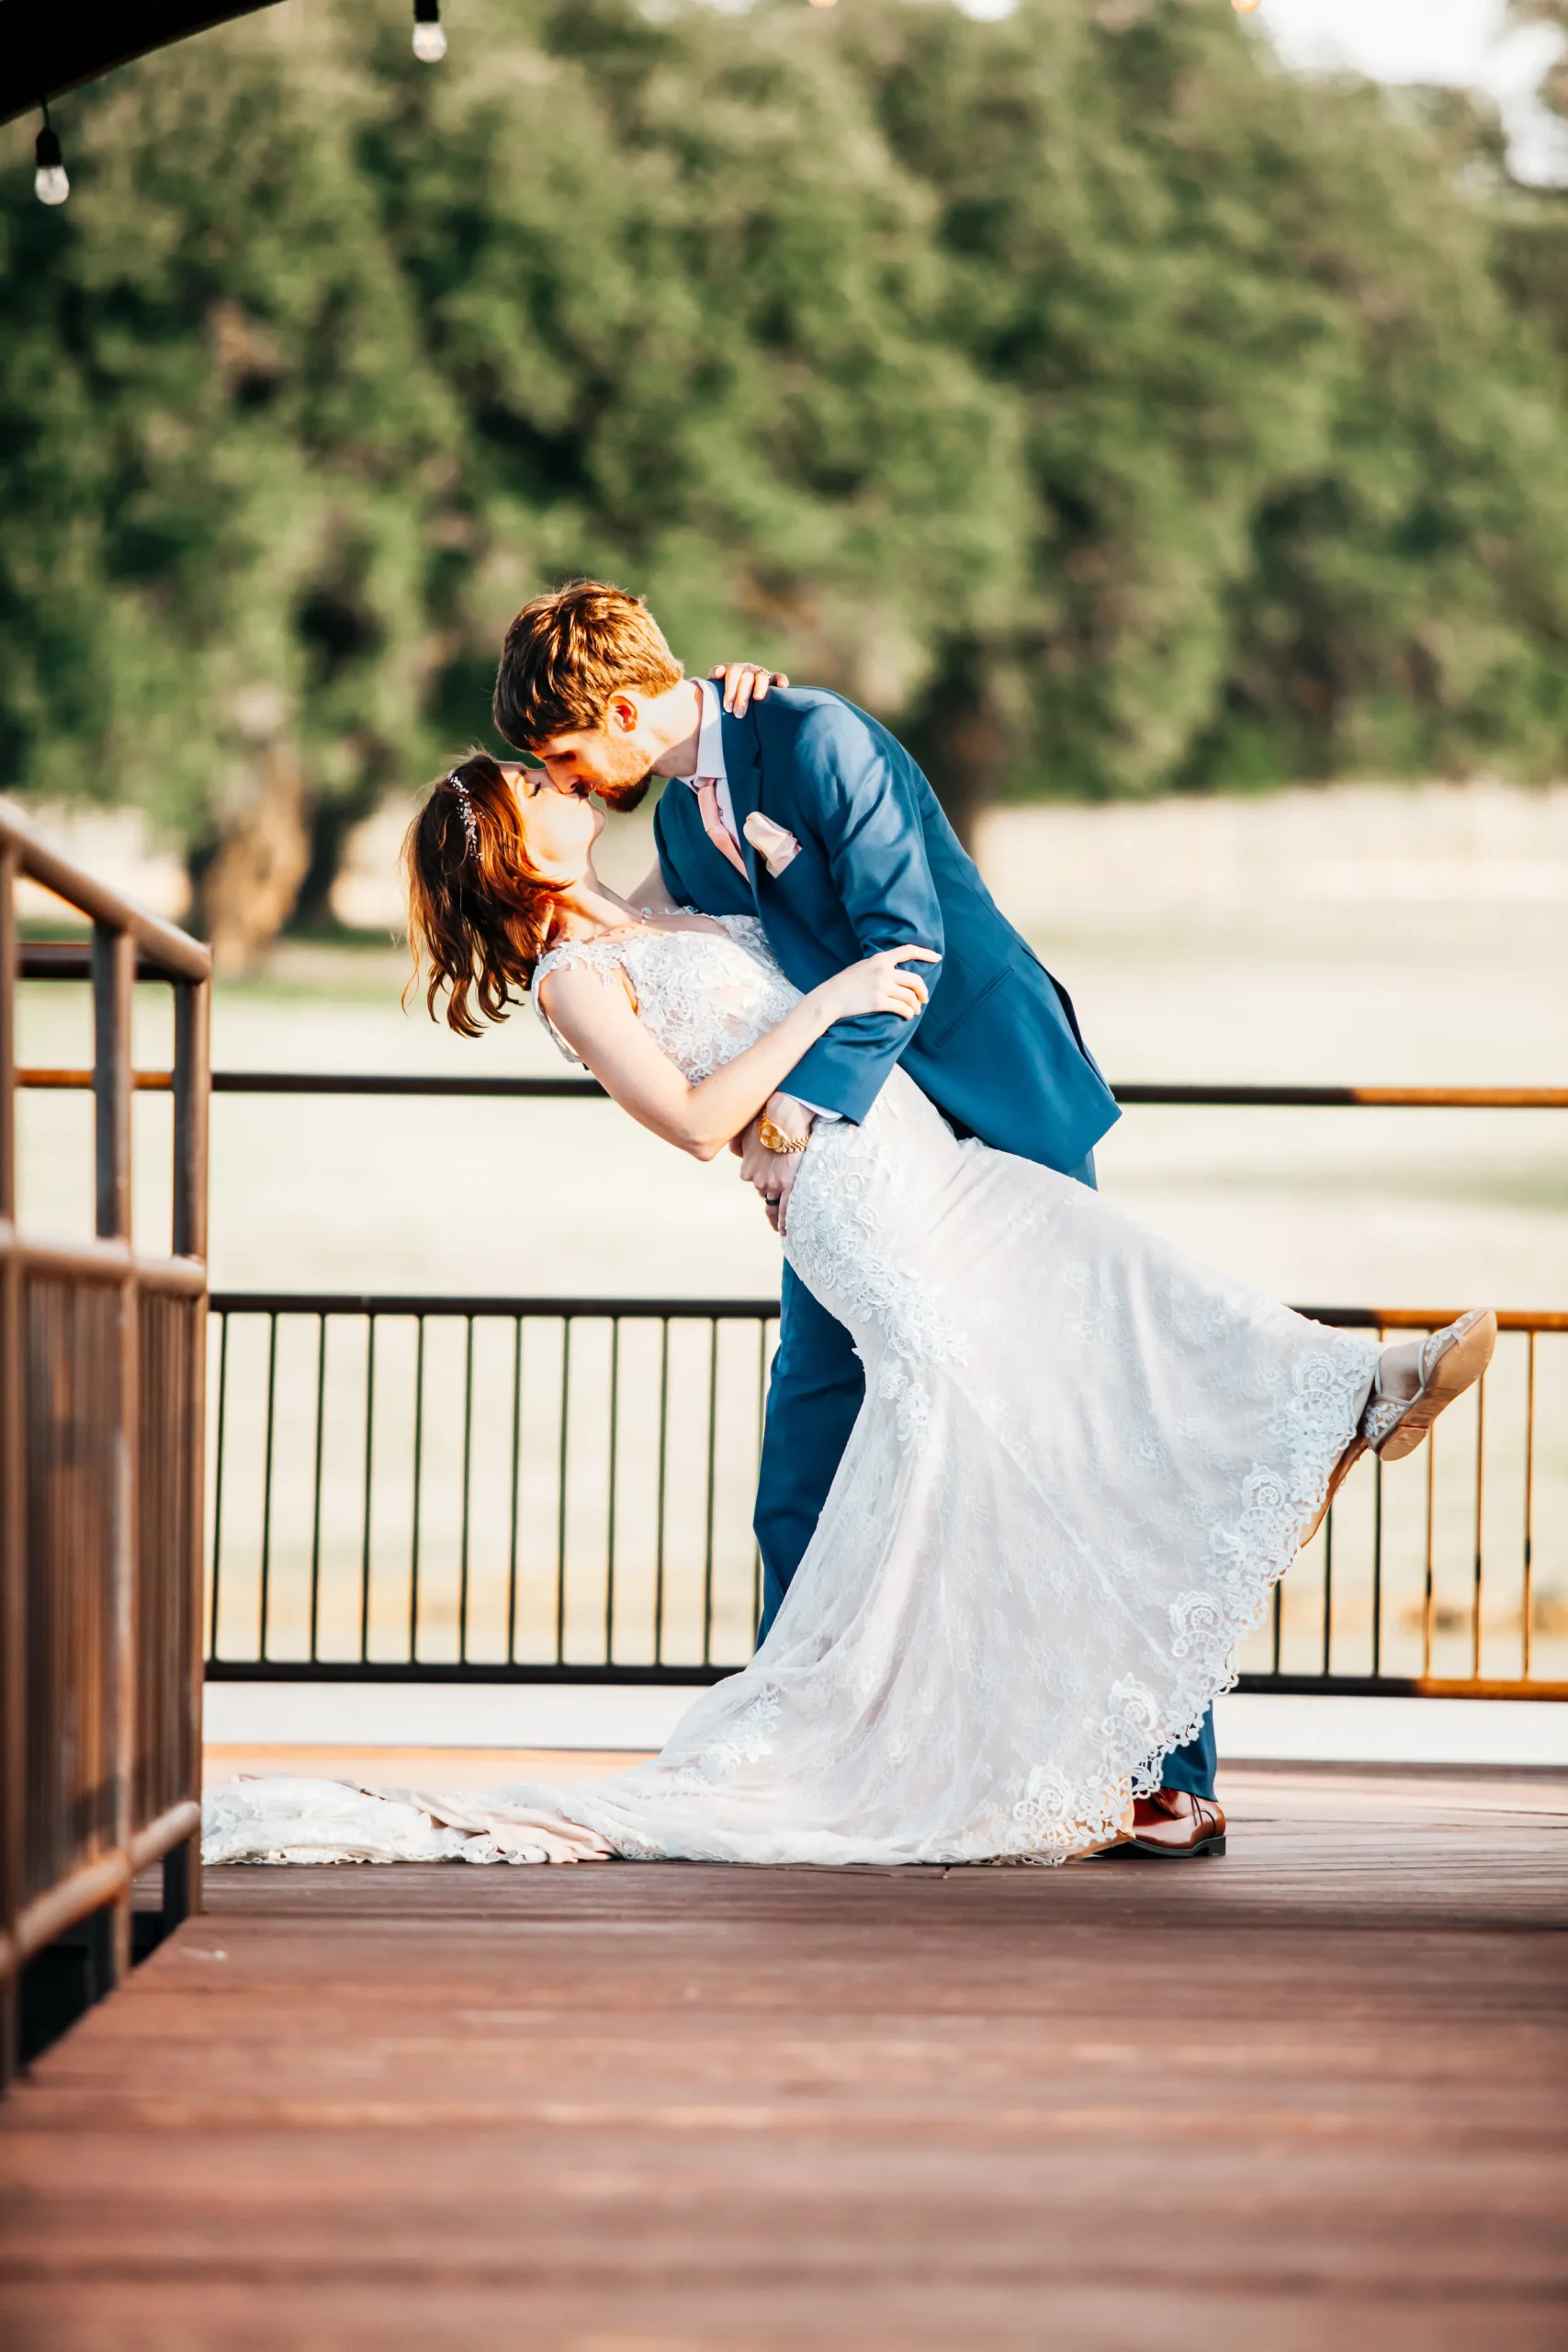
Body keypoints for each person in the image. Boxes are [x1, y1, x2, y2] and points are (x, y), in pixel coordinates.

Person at [203, 700, 1495, 1873]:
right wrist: (822, 1011)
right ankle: (1310, 1429)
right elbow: (702, 1122)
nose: (556, 786)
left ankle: (1344, 1384)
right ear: (516, 852)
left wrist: (728, 711)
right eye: (531, 788)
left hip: (917, 1151)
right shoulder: (572, 978)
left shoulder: (650, 906)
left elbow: (726, 806)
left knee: (1104, 1278)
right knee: (981, 1431)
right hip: (849, 1197)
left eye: (551, 762)